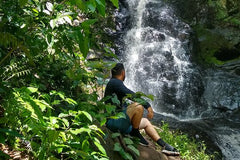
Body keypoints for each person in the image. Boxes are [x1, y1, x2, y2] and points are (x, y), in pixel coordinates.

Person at [104, 63, 179, 155]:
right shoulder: (115, 82)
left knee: (146, 122)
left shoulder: (114, 84)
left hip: (120, 122)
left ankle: (164, 145)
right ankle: (135, 133)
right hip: (113, 122)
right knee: (138, 106)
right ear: (123, 73)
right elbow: (131, 95)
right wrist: (148, 106)